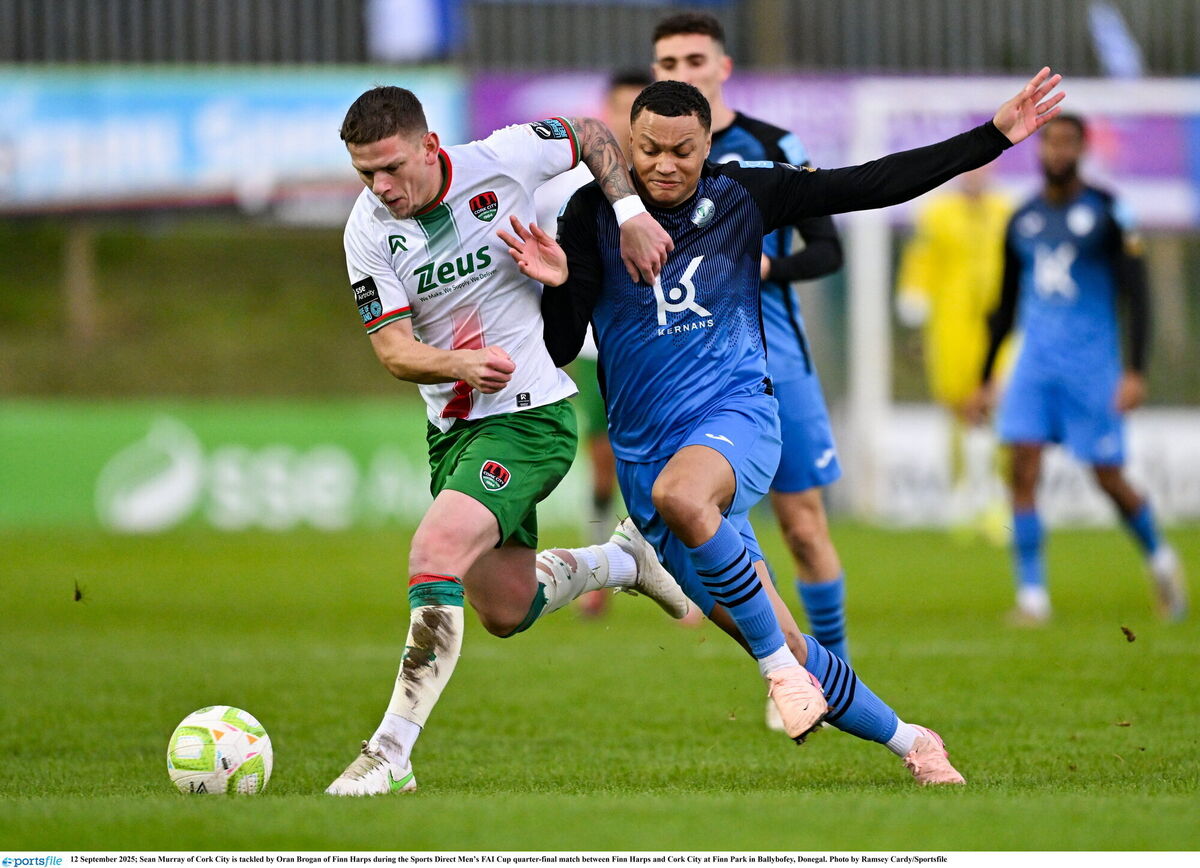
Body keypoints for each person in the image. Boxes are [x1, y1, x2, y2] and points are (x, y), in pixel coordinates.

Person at [502, 72, 1065, 784]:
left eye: (683, 150)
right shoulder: (590, 213)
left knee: (690, 505)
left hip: (736, 417)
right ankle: (914, 742)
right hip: (647, 456)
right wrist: (555, 286)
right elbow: (557, 347)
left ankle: (774, 672)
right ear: (629, 145)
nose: (665, 165)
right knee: (792, 646)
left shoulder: (744, 193)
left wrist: (991, 139)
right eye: (648, 150)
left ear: (709, 144)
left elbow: (870, 183)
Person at [325, 85, 688, 797]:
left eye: (393, 167)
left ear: (431, 147)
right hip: (455, 433)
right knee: (505, 609)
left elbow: (588, 133)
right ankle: (623, 560)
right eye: (367, 173)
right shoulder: (367, 230)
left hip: (530, 418)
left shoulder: (502, 160)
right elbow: (396, 352)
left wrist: (629, 212)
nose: (382, 186)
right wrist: (458, 364)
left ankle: (390, 753)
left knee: (433, 554)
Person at [651, 12, 849, 665]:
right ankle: (785, 666)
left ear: (723, 67)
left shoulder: (775, 147)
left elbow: (827, 249)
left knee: (802, 525)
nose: (682, 74)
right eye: (669, 65)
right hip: (685, 363)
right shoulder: (641, 163)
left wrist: (770, 267)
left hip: (774, 356)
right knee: (706, 523)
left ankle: (837, 670)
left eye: (694, 61)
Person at [967, 113, 1188, 623]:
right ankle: (1032, 597)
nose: (1057, 152)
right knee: (1021, 467)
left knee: (1107, 475)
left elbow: (1138, 293)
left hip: (1092, 367)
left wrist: (1135, 370)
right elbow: (1004, 305)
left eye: (1068, 143)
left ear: (1082, 150)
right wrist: (983, 379)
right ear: (1040, 151)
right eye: (1050, 143)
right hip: (1034, 365)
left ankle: (1161, 560)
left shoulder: (1112, 212)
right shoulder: (1021, 219)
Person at [534, 69, 653, 618]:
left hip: (657, 341)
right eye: (621, 110)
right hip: (592, 346)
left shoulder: (665, 182)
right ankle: (606, 569)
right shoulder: (566, 188)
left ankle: (689, 573)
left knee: (669, 459)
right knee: (605, 460)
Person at [895, 165, 1014, 542]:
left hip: (999, 324)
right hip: (950, 325)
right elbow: (921, 259)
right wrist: (914, 295)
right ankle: (962, 496)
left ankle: (996, 498)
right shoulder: (937, 215)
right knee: (958, 407)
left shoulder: (1007, 213)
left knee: (995, 404)